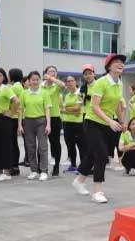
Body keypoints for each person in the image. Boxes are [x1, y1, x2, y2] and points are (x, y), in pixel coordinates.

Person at [72, 54, 126, 203]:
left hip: (106, 124)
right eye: (117, 62)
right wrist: (110, 121)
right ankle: (97, 192)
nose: (120, 64)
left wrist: (122, 121)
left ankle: (79, 181)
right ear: (109, 66)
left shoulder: (119, 83)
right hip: (92, 122)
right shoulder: (101, 82)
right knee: (101, 155)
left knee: (92, 154)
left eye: (122, 62)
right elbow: (94, 106)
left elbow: (117, 105)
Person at [19, 71, 51, 181]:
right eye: (33, 79)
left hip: (41, 121)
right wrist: (20, 125)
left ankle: (44, 171)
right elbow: (21, 110)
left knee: (42, 147)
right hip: (28, 122)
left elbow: (47, 109)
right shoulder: (24, 93)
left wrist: (48, 124)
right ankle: (33, 170)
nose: (35, 81)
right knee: (30, 148)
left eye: (37, 79)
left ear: (40, 80)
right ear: (28, 81)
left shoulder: (44, 93)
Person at [0, 68, 19, 182]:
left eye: (0, 75)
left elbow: (16, 101)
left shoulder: (6, 89)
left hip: (4, 119)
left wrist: (11, 113)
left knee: (5, 145)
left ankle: (7, 172)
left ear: (4, 77)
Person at [42, 66, 65, 177]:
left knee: (55, 142)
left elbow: (63, 85)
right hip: (41, 116)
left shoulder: (56, 86)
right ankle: (42, 167)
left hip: (54, 117)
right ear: (45, 73)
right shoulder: (41, 86)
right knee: (42, 143)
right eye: (50, 71)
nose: (52, 73)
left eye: (54, 72)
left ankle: (56, 166)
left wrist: (52, 79)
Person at [61, 75, 84, 174]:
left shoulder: (80, 93)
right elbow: (67, 109)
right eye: (68, 81)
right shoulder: (66, 95)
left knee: (81, 145)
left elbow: (77, 109)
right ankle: (73, 165)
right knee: (70, 145)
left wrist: (65, 109)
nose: (70, 83)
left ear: (75, 82)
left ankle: (83, 167)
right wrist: (70, 109)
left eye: (72, 81)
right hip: (67, 122)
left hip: (78, 123)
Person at [8, 68, 25, 176]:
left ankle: (14, 166)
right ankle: (14, 166)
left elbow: (9, 101)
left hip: (13, 117)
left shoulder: (15, 87)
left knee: (12, 143)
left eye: (9, 75)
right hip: (16, 117)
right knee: (13, 142)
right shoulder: (19, 86)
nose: (7, 77)